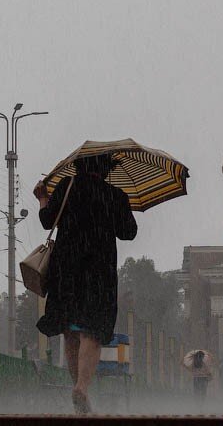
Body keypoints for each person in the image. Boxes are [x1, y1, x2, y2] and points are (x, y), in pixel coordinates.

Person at [34, 153, 137, 414]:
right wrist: (117, 206)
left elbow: (47, 220)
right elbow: (129, 232)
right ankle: (81, 386)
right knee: (92, 329)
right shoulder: (114, 194)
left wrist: (42, 198)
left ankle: (79, 391)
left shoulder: (66, 187)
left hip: (66, 268)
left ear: (78, 167)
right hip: (98, 270)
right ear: (105, 170)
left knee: (70, 329)